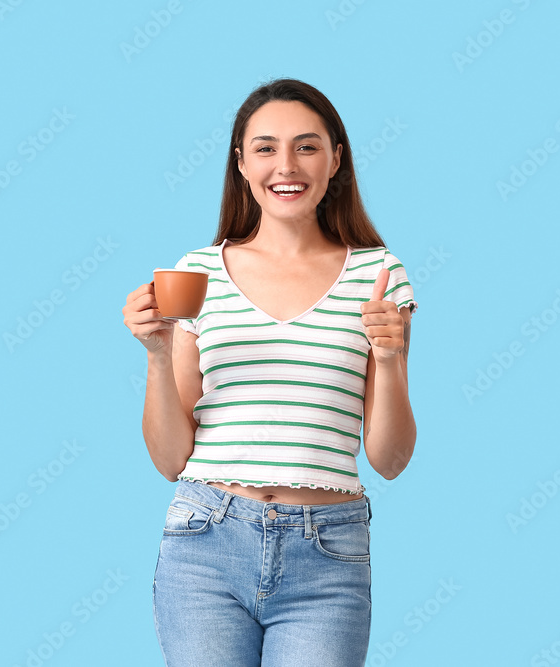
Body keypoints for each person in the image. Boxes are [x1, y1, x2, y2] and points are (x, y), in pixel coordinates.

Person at [122, 78, 417, 666]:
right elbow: (170, 460)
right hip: (205, 541)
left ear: (336, 158)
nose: (287, 165)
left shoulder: (378, 276)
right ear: (241, 162)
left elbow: (389, 459)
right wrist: (156, 354)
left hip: (327, 553)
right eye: (265, 147)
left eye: (307, 147)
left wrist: (388, 358)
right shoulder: (198, 273)